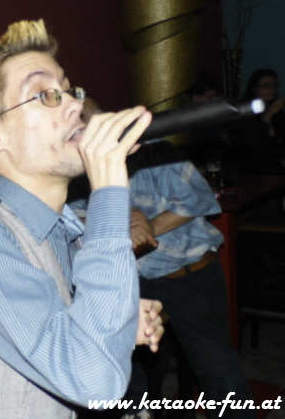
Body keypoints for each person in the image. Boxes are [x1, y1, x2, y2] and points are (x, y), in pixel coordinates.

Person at [0, 19, 164, 418]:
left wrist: (116, 323)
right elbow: (94, 382)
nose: (75, 105)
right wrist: (108, 192)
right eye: (45, 95)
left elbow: (70, 340)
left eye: (69, 91)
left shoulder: (62, 231)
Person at [74, 99, 255, 418]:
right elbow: (72, 216)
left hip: (187, 273)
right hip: (132, 278)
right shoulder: (72, 165)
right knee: (114, 363)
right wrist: (121, 216)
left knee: (219, 375)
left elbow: (200, 199)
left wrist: (148, 226)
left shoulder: (153, 150)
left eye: (85, 121)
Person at [228, 68, 285, 174]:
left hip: (273, 167)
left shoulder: (277, 112)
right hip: (250, 170)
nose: (272, 89)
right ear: (254, 89)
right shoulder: (244, 112)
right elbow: (253, 145)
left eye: (274, 85)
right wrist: (269, 114)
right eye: (266, 86)